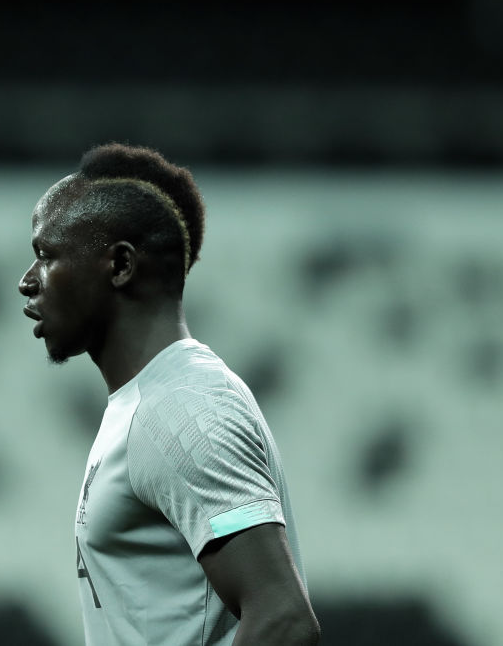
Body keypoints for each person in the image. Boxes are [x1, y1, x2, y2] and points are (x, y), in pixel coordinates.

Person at [18, 143, 320, 645]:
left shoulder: (183, 407)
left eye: (46, 256)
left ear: (120, 264)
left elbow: (283, 619)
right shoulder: (148, 402)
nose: (27, 281)